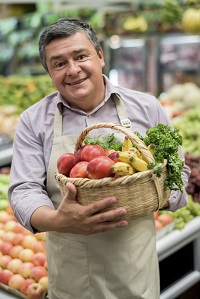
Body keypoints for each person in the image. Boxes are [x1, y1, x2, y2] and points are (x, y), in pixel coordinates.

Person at [8, 17, 190, 299]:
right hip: (71, 279)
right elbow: (23, 190)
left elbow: (179, 176)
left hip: (135, 273)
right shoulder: (33, 121)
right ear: (49, 72)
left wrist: (152, 194)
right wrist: (58, 221)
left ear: (100, 56)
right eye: (59, 63)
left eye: (81, 56)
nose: (73, 70)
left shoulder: (146, 107)